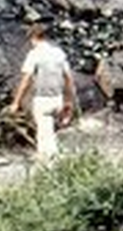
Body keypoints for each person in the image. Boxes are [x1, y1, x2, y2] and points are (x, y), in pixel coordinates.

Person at [9, 22, 77, 163]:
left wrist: (16, 102)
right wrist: (69, 102)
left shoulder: (34, 54)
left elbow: (26, 81)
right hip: (58, 99)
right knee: (51, 134)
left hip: (43, 101)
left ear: (34, 37)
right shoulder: (59, 53)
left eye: (31, 40)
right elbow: (68, 79)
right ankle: (57, 163)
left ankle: (49, 169)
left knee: (43, 138)